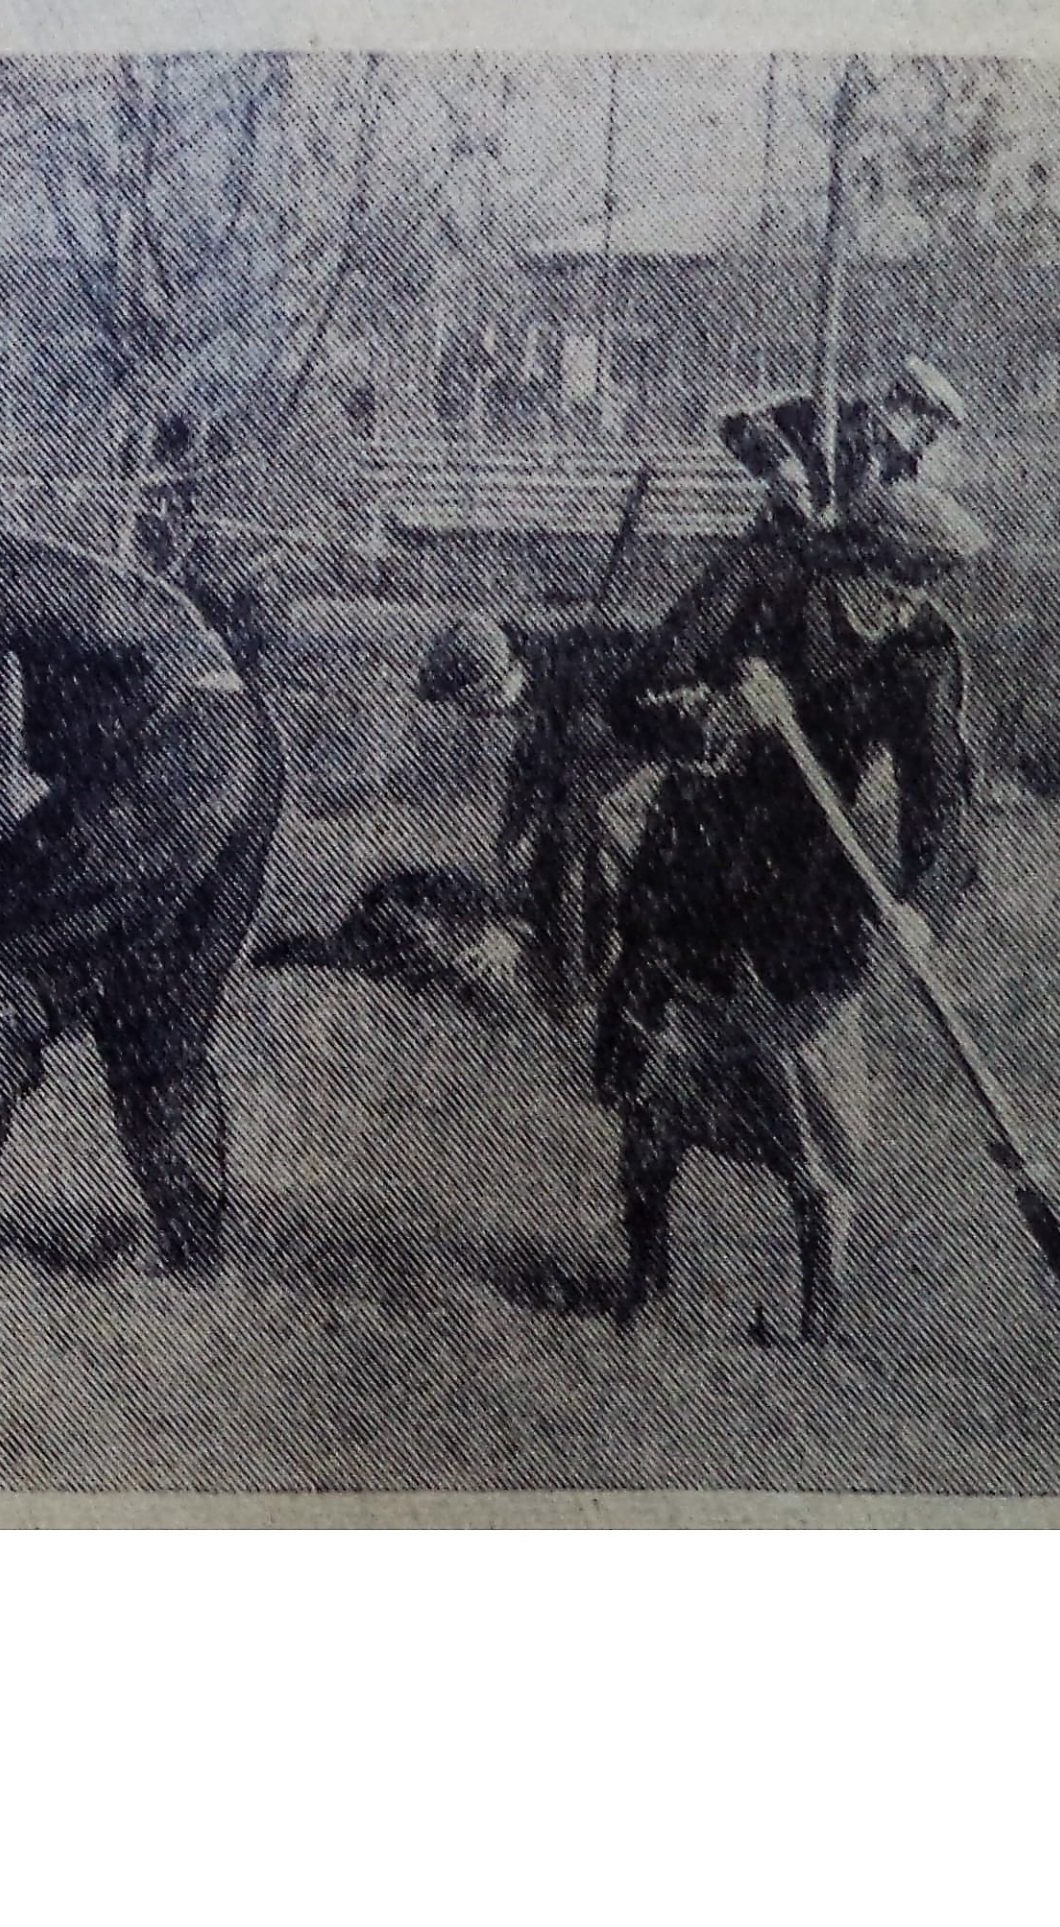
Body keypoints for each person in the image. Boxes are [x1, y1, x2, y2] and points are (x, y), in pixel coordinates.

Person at [591, 478, 987, 1340]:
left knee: (825, 1107)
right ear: (854, 556)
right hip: (703, 865)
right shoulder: (761, 579)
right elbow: (633, 697)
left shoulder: (923, 647)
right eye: (893, 579)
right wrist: (723, 712)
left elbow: (944, 800)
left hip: (813, 892)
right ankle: (644, 1273)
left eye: (922, 585)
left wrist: (922, 903)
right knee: (660, 1080)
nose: (902, 603)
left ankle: (820, 1316)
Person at [0, 526, 286, 1284]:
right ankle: (194, 1258)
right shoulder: (5, 563)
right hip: (249, 752)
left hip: (169, 758)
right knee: (157, 1012)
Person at [414, 610, 653, 1016]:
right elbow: (525, 782)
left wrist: (517, 929)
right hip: (610, 774)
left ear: (492, 685)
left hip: (673, 767)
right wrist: (512, 833)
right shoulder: (536, 693)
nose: (476, 717)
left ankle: (582, 988)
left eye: (472, 705)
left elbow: (572, 807)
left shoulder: (581, 690)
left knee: (577, 839)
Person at [714, 356, 969, 529]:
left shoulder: (901, 466)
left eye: (933, 436)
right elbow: (737, 425)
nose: (926, 443)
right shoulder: (833, 418)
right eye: (927, 429)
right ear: (901, 404)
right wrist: (783, 466)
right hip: (786, 548)